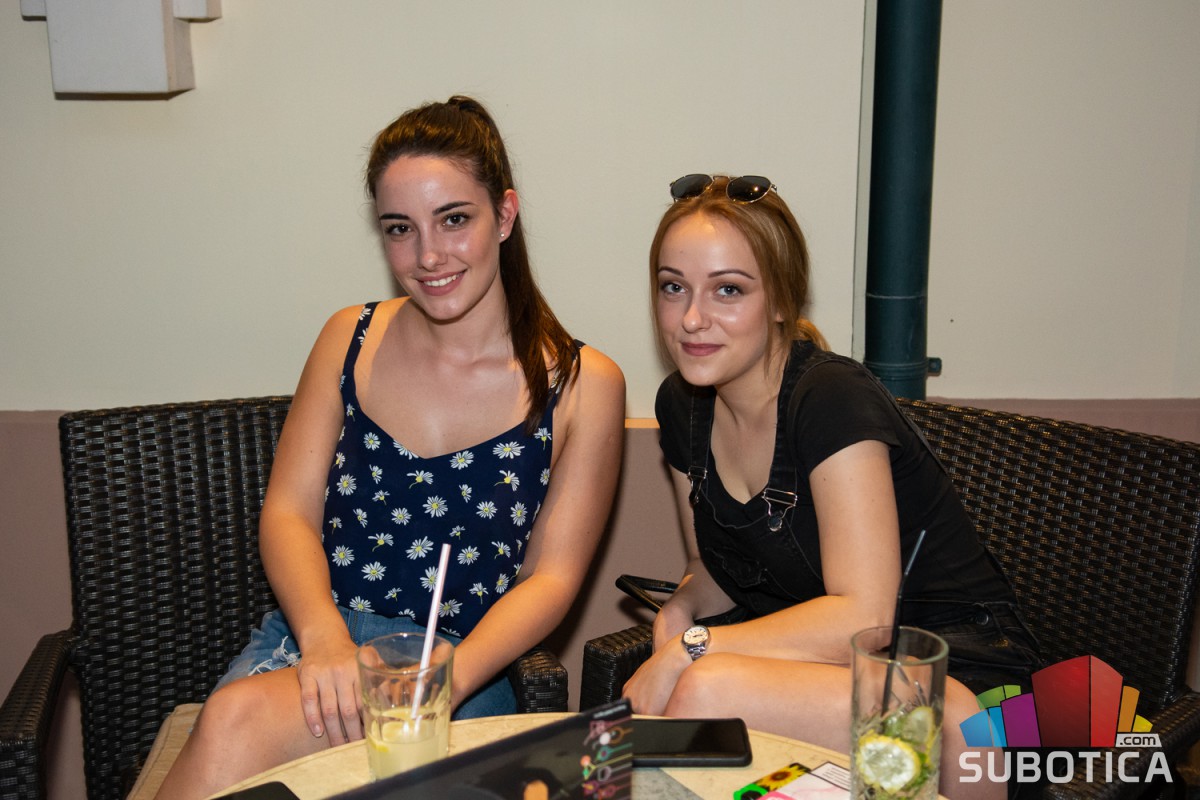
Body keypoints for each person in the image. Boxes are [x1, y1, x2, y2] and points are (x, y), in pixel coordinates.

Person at [155, 96, 625, 799]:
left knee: (239, 726)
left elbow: (551, 579)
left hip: (460, 667)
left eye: (454, 219)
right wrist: (323, 638)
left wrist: (444, 681)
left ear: (504, 215)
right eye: (400, 228)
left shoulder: (585, 384)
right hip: (315, 637)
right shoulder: (347, 337)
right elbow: (287, 512)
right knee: (233, 721)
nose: (428, 256)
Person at [621, 174, 1040, 800]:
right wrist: (680, 612)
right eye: (672, 287)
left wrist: (693, 648)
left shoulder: (829, 399)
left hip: (965, 681)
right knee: (687, 708)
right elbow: (712, 567)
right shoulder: (682, 405)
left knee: (708, 688)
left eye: (728, 289)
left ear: (781, 301)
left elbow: (865, 616)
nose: (692, 318)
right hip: (829, 671)